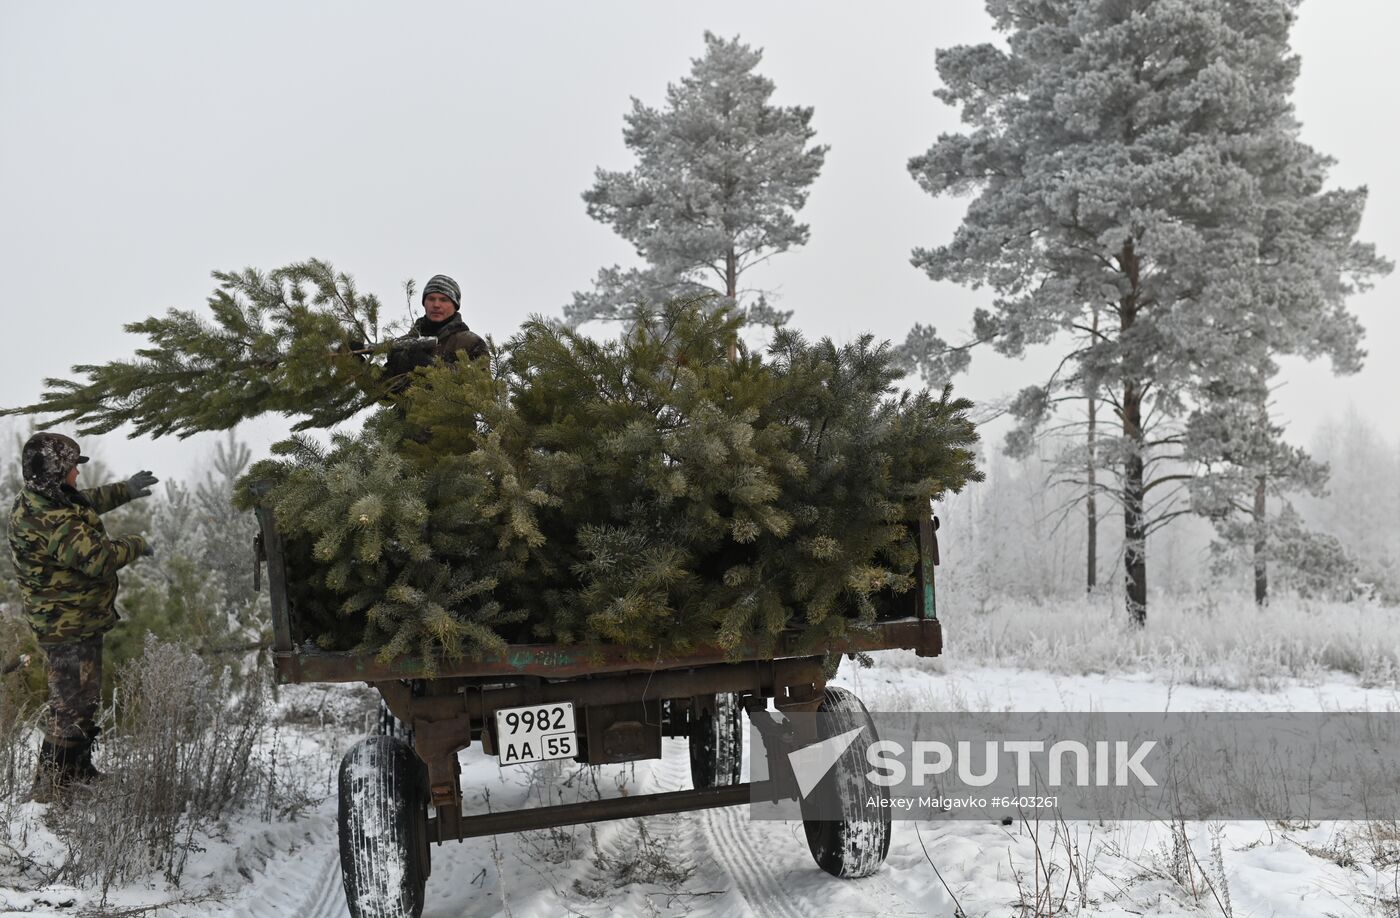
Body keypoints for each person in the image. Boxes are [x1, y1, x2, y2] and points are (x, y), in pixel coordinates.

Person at [6, 432, 157, 800]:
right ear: (57, 471)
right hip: (65, 626)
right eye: (72, 468)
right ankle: (48, 790)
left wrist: (126, 490)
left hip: (76, 621)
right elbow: (100, 560)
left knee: (83, 701)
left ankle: (78, 773)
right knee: (69, 705)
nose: (77, 474)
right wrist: (136, 544)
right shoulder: (50, 517)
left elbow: (85, 502)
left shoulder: (46, 498)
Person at [383, 274, 489, 389]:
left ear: (455, 305)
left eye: (444, 300)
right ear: (424, 303)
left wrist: (430, 365)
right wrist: (361, 364)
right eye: (431, 299)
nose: (436, 305)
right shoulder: (406, 343)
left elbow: (482, 387)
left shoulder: (471, 343)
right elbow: (384, 390)